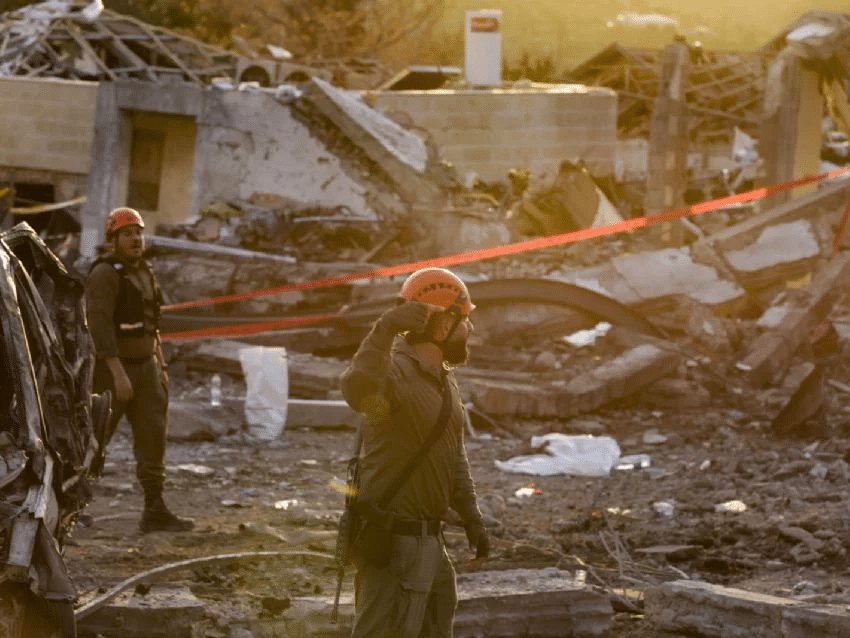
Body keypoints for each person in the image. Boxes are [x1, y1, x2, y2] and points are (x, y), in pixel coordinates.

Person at [339, 267, 489, 638]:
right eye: (465, 320)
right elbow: (359, 390)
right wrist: (384, 329)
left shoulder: (444, 381)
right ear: (443, 326)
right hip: (394, 546)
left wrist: (471, 516)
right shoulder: (395, 376)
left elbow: (452, 455)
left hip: (431, 543)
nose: (470, 329)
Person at [85, 207, 194, 533]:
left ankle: (155, 510)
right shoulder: (105, 274)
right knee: (94, 439)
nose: (135, 239)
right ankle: (70, 506)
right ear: (114, 239)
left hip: (147, 369)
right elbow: (99, 327)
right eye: (127, 234)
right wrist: (117, 373)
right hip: (113, 371)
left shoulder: (145, 271)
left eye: (138, 233)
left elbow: (151, 323)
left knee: (152, 439)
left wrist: (160, 364)